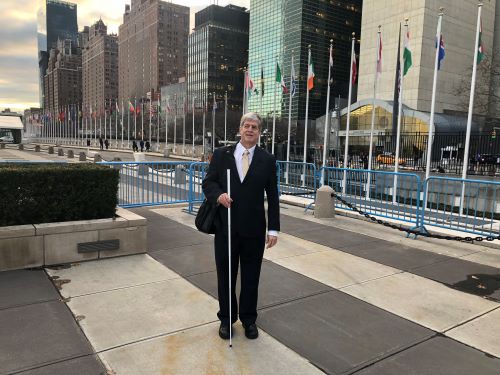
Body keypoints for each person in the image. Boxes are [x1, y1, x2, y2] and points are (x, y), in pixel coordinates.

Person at [202, 112, 280, 341]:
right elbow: (208, 182)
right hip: (226, 228)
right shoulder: (221, 155)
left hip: (254, 231)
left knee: (251, 277)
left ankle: (248, 319)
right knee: (226, 277)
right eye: (246, 125)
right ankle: (227, 319)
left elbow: (273, 196)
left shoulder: (267, 159)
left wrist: (273, 229)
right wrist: (218, 196)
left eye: (254, 127)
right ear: (240, 128)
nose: (250, 130)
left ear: (259, 132)